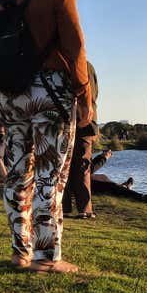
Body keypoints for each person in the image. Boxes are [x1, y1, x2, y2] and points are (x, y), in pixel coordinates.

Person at [0, 0, 93, 273]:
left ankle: (19, 251)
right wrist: (84, 95)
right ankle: (47, 257)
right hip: (50, 91)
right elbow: (75, 46)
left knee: (18, 173)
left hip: (10, 92)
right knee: (51, 176)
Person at [64, 61, 98, 218]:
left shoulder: (63, 63)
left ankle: (64, 205)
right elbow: (94, 92)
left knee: (64, 162)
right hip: (85, 119)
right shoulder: (86, 65)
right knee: (82, 164)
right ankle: (84, 208)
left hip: (73, 118)